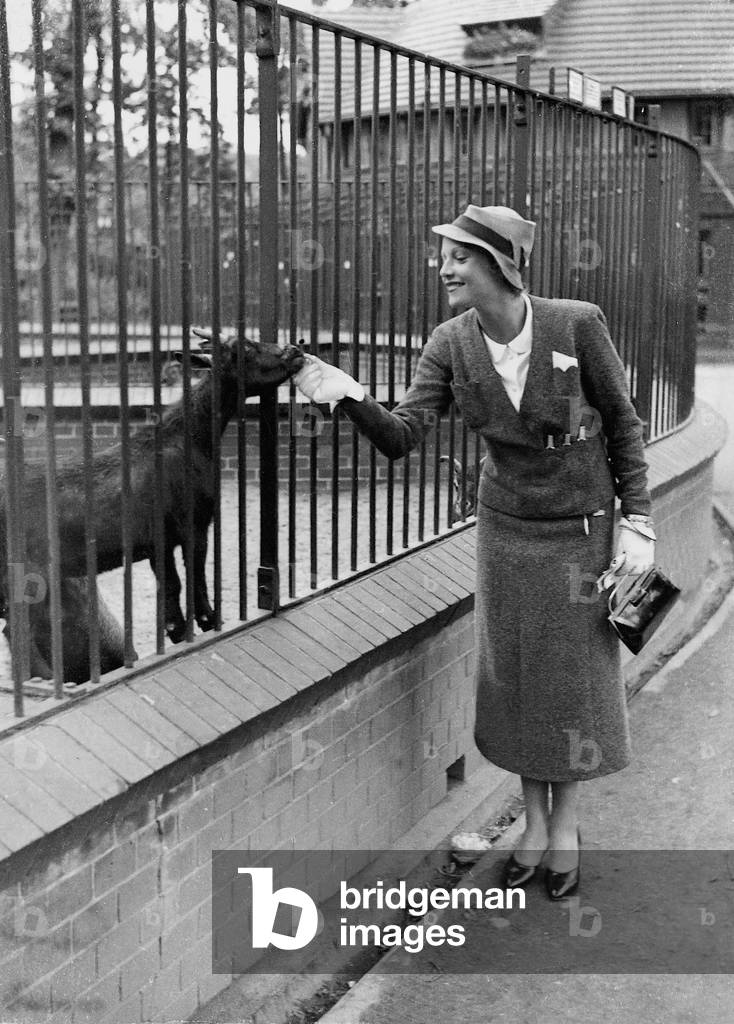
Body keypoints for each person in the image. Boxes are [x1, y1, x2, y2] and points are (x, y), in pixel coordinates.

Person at [293, 205, 655, 900]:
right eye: (445, 256)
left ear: (498, 264)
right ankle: (533, 823)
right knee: (516, 677)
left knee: (572, 681)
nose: (445, 268)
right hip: (507, 532)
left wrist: (638, 520)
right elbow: (404, 435)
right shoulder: (450, 342)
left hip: (582, 532)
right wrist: (347, 395)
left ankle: (566, 826)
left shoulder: (576, 323)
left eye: (458, 256)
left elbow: (626, 424)